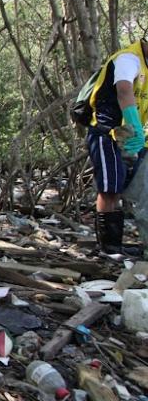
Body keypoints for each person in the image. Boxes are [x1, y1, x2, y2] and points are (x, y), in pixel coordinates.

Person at [83, 39, 148, 254]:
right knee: (110, 188)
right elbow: (124, 90)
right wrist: (133, 124)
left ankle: (123, 244)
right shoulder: (128, 59)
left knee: (130, 188)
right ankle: (109, 248)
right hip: (106, 132)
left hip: (132, 137)